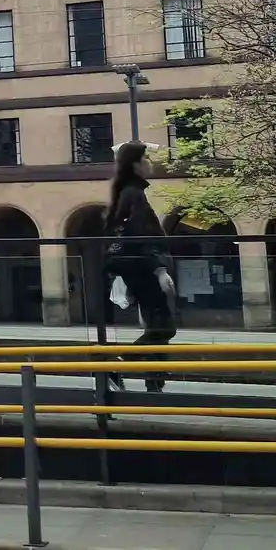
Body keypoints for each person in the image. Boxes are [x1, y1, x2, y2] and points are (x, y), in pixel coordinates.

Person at [104, 140, 176, 393]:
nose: (150, 163)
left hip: (137, 267)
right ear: (135, 164)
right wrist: (160, 270)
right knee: (164, 327)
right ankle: (117, 366)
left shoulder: (128, 192)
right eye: (145, 158)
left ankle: (154, 383)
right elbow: (141, 235)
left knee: (158, 325)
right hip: (143, 268)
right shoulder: (133, 194)